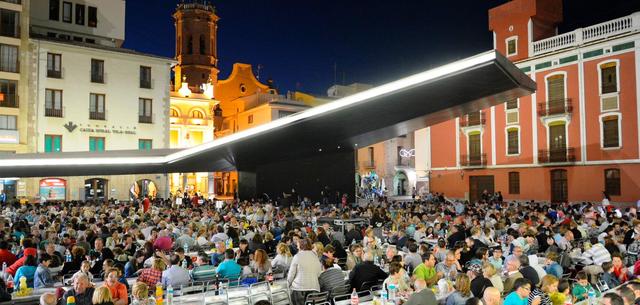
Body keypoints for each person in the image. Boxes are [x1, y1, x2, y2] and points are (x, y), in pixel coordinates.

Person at [287, 238, 322, 305]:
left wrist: (288, 284)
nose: (297, 247)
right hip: (314, 287)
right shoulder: (315, 256)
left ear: (301, 246)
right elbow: (318, 272)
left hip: (299, 287)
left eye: (298, 246)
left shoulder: (297, 256)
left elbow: (291, 274)